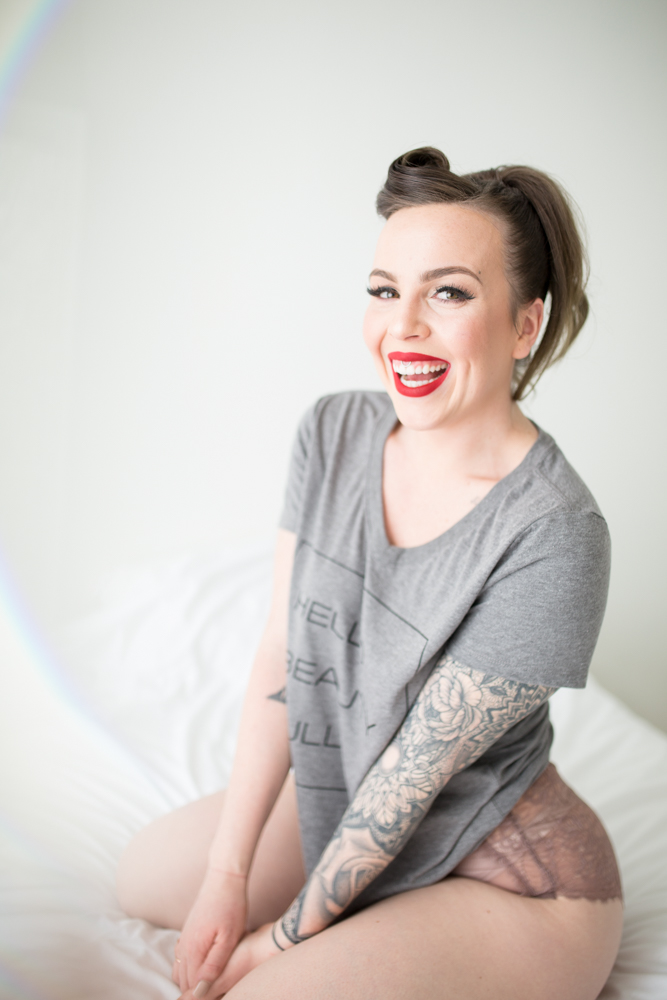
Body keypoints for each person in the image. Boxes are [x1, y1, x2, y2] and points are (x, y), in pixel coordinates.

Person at [116, 147, 623, 1000]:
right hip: (348, 792)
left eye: (448, 293)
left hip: (513, 881)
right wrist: (226, 878)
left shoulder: (555, 531)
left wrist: (272, 947)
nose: (403, 326)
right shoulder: (333, 432)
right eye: (385, 290)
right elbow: (282, 655)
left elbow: (408, 785)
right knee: (144, 878)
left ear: (524, 326)